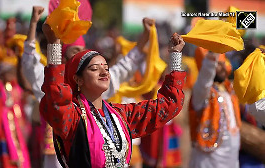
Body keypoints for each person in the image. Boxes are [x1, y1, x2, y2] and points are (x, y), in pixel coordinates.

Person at [39, 17, 186, 167]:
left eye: (106, 68)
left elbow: (167, 106)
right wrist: (54, 45)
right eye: (94, 69)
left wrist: (175, 55)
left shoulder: (120, 115)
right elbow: (55, 98)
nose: (104, 72)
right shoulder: (73, 117)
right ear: (78, 79)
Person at [189, 47, 242, 168]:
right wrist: (213, 49)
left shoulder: (229, 90)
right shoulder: (201, 93)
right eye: (218, 64)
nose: (224, 68)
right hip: (208, 160)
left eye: (224, 63)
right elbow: (205, 80)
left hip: (231, 158)